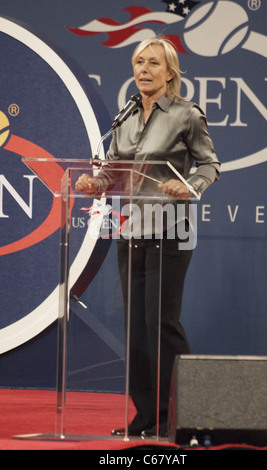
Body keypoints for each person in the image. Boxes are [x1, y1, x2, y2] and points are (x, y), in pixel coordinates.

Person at [75, 36, 220, 437]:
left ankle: (191, 415)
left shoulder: (186, 115)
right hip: (131, 231)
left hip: (171, 233)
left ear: (170, 73)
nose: (143, 69)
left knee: (162, 325)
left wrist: (189, 186)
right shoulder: (125, 117)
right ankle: (147, 418)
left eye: (153, 63)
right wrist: (96, 182)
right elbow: (116, 172)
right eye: (138, 62)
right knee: (136, 329)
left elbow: (210, 164)